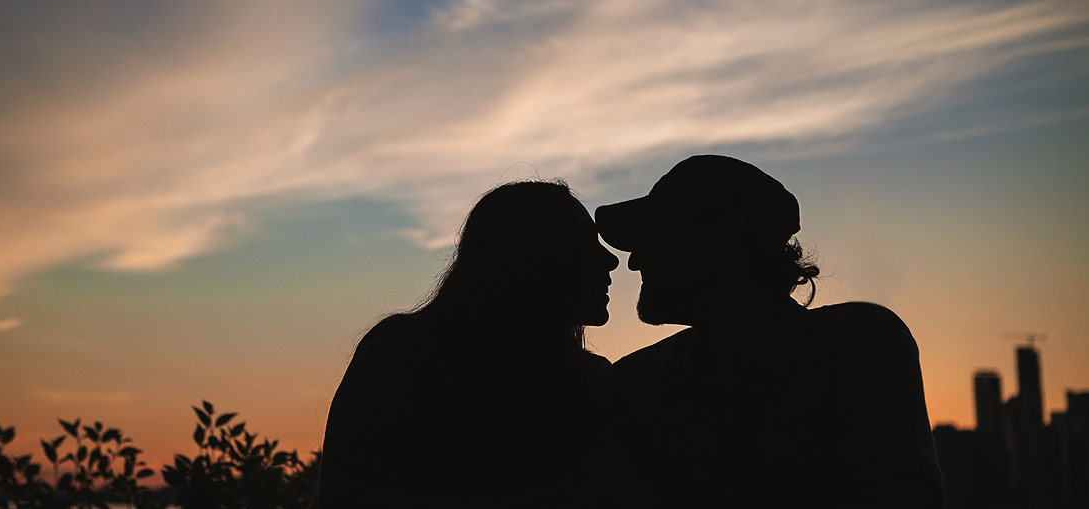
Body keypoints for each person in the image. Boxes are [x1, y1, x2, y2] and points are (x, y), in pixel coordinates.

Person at [596, 155, 944, 509]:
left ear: (724, 237)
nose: (635, 261)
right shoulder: (633, 380)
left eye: (656, 237)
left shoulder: (859, 345)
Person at [317, 179, 620, 507]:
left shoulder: (596, 380)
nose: (610, 261)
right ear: (537, 257)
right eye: (585, 244)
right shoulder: (401, 355)